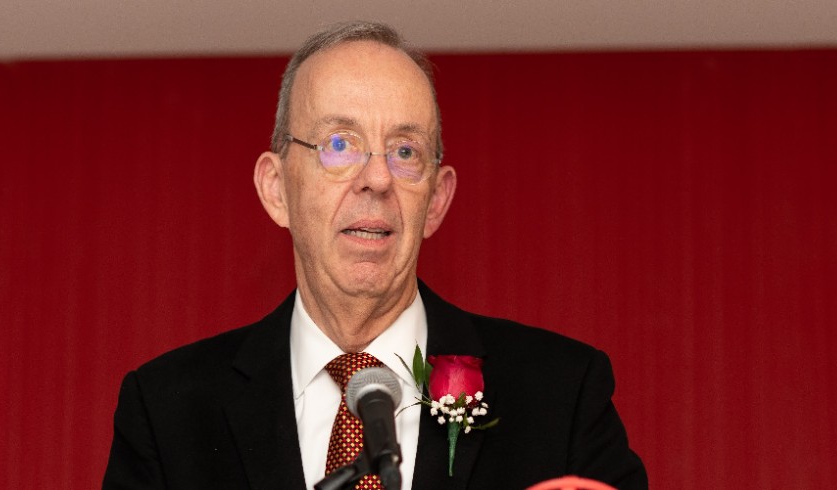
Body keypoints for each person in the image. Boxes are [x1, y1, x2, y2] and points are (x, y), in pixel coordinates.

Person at [102, 21, 648, 490]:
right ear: (276, 189)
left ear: (436, 200)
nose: (378, 178)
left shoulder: (560, 392)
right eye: (339, 144)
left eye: (406, 151)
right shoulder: (167, 411)